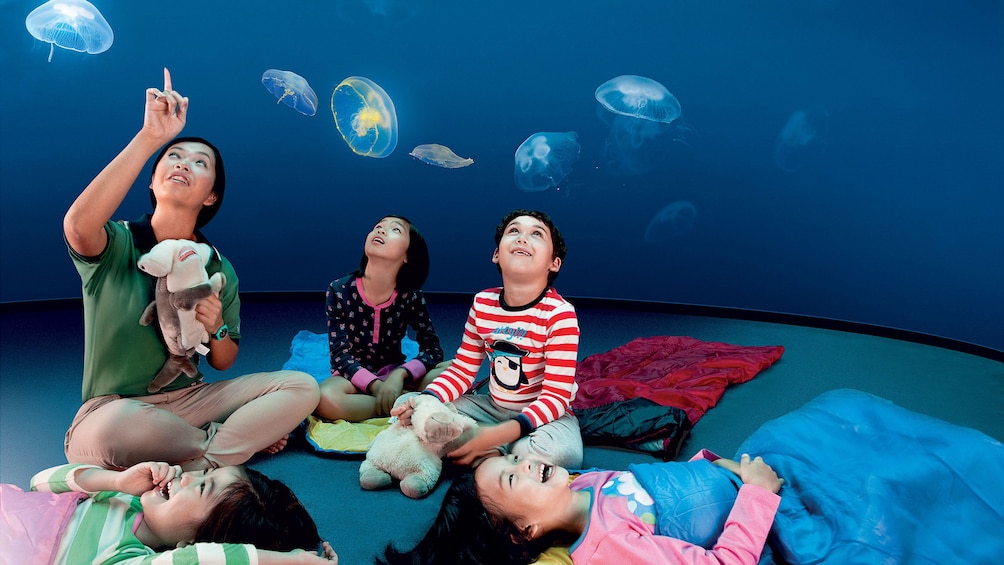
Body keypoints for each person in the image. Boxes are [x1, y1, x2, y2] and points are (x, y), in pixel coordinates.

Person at [381, 389, 1004, 565]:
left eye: (515, 459)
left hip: (743, 480)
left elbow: (668, 483)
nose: (530, 462)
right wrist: (758, 496)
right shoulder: (609, 547)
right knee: (887, 498)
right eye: (517, 480)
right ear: (529, 530)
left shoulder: (585, 488)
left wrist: (722, 467)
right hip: (774, 529)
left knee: (834, 413)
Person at [61, 68, 320, 471]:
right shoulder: (118, 242)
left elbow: (223, 359)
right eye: (174, 157)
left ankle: (201, 455)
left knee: (301, 387)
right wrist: (151, 137)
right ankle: (221, 447)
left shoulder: (218, 266)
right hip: (115, 411)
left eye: (200, 164)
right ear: (152, 180)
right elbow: (77, 227)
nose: (183, 164)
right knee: (113, 429)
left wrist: (215, 324)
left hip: (192, 401)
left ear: (211, 194)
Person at [393, 209, 583, 469]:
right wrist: (428, 400)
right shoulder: (483, 303)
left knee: (558, 453)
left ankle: (482, 444)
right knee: (409, 404)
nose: (522, 238)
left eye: (536, 234)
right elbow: (462, 370)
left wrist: (498, 434)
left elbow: (556, 397)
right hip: (492, 407)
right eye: (514, 231)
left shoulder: (560, 314)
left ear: (554, 263)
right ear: (496, 254)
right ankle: (492, 451)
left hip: (547, 417)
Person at [1, 461, 337, 564]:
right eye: (207, 473)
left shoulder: (129, 558)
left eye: (203, 487)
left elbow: (207, 559)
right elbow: (40, 483)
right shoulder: (121, 499)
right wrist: (116, 479)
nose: (188, 475)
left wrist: (299, 561)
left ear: (194, 540)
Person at [316, 215, 447, 422]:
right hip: (351, 377)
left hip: (396, 373)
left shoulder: (410, 295)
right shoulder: (339, 290)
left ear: (407, 256)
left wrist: (399, 376)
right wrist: (378, 388)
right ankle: (403, 405)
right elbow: (340, 356)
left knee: (453, 370)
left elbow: (433, 351)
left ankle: (398, 400)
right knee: (324, 398)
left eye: (395, 230)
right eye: (378, 226)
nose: (381, 231)